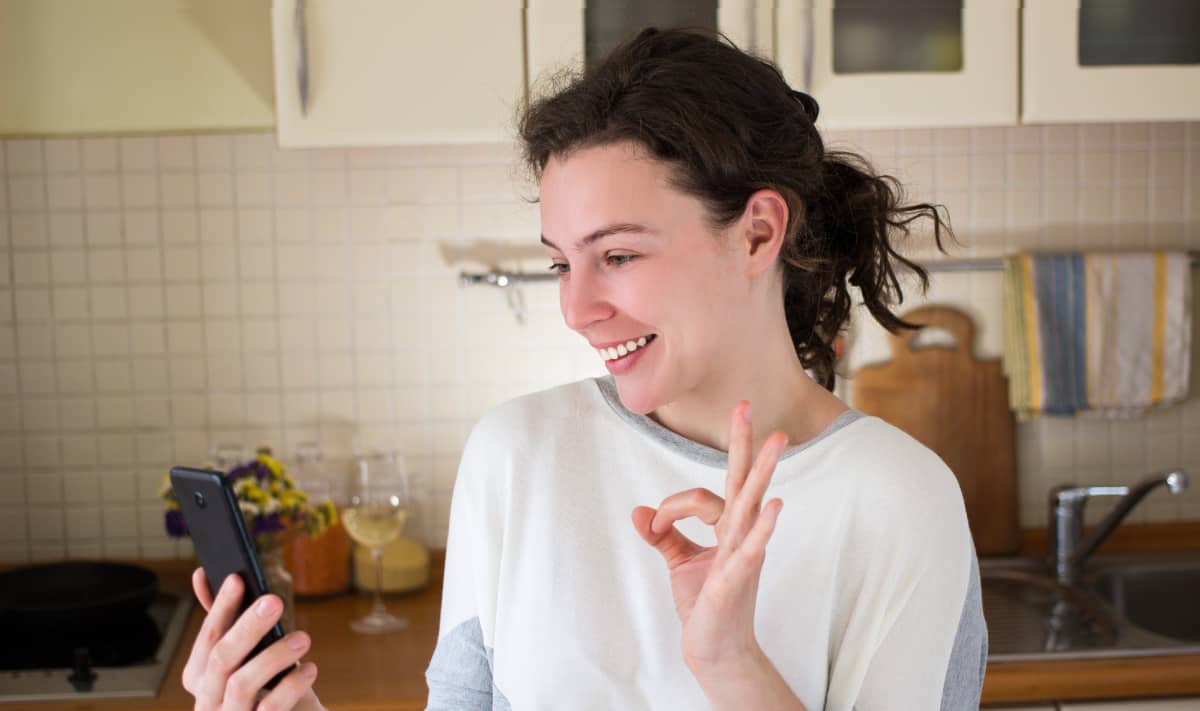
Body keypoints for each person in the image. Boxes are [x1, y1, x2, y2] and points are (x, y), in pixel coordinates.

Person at [178, 26, 985, 711]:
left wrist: (734, 665)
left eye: (620, 254)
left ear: (758, 232)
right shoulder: (516, 454)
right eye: (563, 262)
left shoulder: (900, 501)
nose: (577, 306)